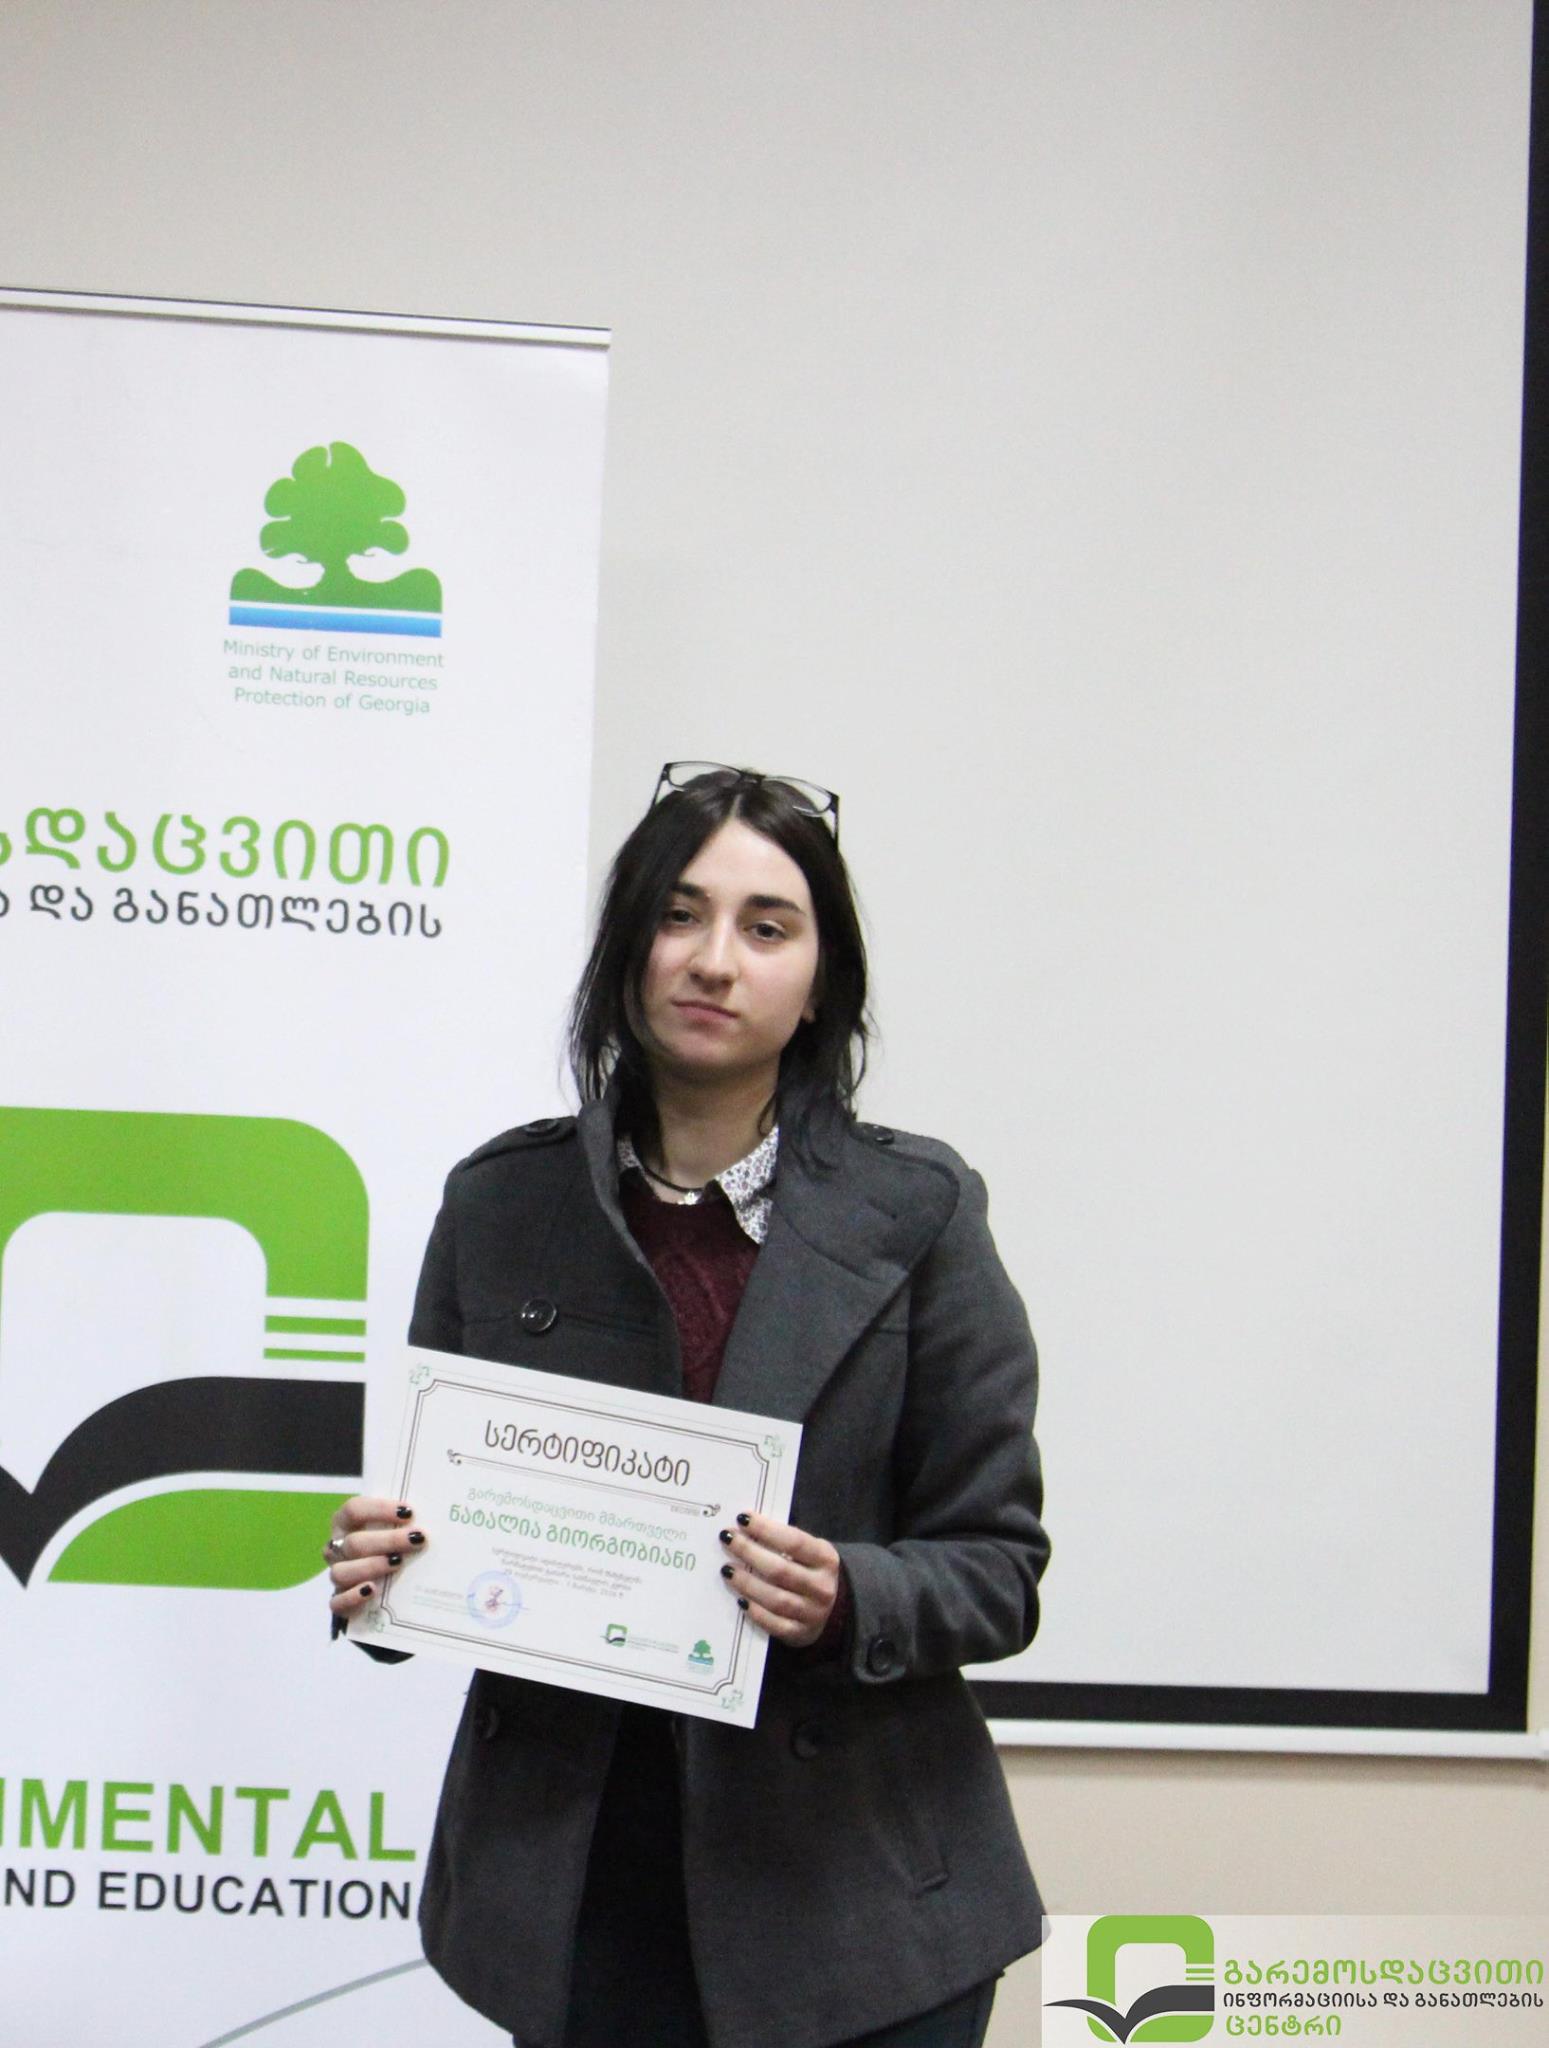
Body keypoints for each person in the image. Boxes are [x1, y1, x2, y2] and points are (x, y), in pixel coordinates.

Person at [324, 763, 1048, 2048]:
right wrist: (381, 1571)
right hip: (580, 1897)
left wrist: (850, 1595)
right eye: (678, 913)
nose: (715, 959)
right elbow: (431, 1532)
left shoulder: (921, 1212)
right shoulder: (501, 1204)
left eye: (767, 926)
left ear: (819, 982)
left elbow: (996, 1566)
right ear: (625, 952)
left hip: (858, 1914)